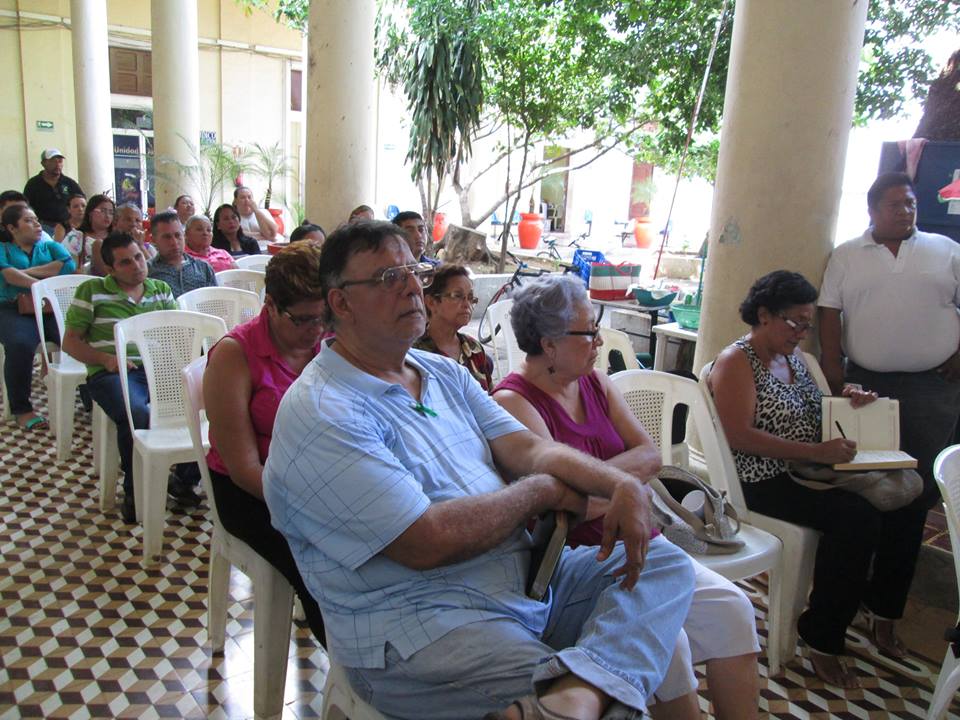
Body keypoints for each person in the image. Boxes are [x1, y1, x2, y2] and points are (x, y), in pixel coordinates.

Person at [263, 220, 696, 720]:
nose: (410, 286)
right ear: (340, 304)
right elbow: (428, 541)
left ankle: (581, 693)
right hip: (423, 626)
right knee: (619, 701)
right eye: (387, 278)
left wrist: (620, 483)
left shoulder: (441, 373)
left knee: (664, 563)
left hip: (525, 588)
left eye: (412, 270)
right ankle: (586, 695)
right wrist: (540, 494)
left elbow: (531, 449)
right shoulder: (324, 412)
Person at [493, 274, 759, 720]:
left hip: (644, 542)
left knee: (734, 607)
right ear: (549, 344)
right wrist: (617, 487)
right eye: (588, 332)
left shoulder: (595, 382)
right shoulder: (513, 403)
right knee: (667, 642)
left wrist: (602, 487)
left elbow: (650, 455)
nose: (598, 340)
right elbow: (554, 509)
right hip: (583, 560)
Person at [708, 269, 928, 689]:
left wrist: (850, 401)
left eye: (807, 324)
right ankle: (822, 634)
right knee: (856, 519)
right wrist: (815, 452)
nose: (802, 332)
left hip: (810, 469)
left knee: (913, 501)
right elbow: (738, 435)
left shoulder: (794, 359)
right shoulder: (738, 360)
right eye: (795, 322)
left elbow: (817, 412)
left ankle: (882, 607)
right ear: (764, 314)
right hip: (764, 478)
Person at [203, 243, 327, 642]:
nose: (317, 331)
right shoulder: (234, 356)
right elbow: (244, 469)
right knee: (322, 561)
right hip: (251, 490)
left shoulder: (323, 343)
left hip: (316, 477)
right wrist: (313, 505)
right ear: (270, 305)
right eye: (304, 320)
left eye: (325, 318)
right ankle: (354, 675)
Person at [819, 171, 960, 511]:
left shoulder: (946, 250)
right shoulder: (846, 255)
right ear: (872, 210)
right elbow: (828, 311)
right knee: (868, 474)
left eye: (910, 204)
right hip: (866, 385)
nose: (904, 211)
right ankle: (865, 553)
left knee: (922, 479)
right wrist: (832, 366)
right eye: (894, 205)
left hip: (932, 387)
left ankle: (899, 562)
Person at [62, 233, 181, 522]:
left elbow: (178, 332)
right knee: (136, 413)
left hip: (159, 370)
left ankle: (182, 480)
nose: (137, 266)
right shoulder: (93, 291)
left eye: (139, 257)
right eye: (125, 263)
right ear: (111, 269)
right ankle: (135, 489)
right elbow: (70, 342)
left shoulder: (160, 289)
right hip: (111, 373)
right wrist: (106, 359)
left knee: (210, 404)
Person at [0, 204, 75, 430]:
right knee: (20, 344)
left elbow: (66, 266)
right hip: (11, 309)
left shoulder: (49, 246)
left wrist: (27, 274)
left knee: (75, 339)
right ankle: (21, 408)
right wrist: (44, 280)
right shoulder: (3, 249)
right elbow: (8, 276)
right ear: (12, 228)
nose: (37, 224)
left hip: (48, 308)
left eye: (36, 220)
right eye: (29, 221)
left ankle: (90, 396)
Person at [414, 263, 494, 392]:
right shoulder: (415, 353)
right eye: (457, 296)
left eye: (470, 298)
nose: (467, 305)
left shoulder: (474, 349)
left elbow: (491, 399)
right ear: (431, 302)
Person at [147, 211, 217, 298]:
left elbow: (215, 302)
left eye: (177, 235)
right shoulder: (148, 271)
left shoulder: (203, 268)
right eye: (167, 237)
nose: (174, 242)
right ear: (153, 240)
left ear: (184, 236)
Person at [22, 149, 83, 237]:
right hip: (44, 228)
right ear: (43, 163)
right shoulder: (33, 184)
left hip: (67, 228)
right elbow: (26, 206)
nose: (57, 165)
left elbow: (81, 201)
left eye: (60, 161)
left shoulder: (69, 183)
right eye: (53, 161)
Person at [81, 194, 116, 276]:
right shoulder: (78, 236)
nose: (107, 216)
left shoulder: (117, 237)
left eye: (111, 213)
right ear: (90, 212)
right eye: (103, 211)